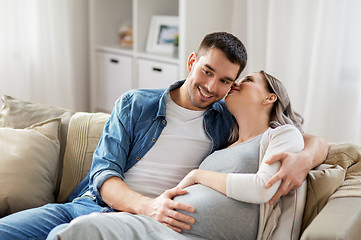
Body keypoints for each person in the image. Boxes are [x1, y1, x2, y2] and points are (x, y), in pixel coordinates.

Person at [0, 32, 327, 240]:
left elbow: (301, 134)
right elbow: (103, 174)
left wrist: (304, 158)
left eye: (226, 81)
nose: (211, 87)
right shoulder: (135, 104)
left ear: (232, 86)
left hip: (147, 228)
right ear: (192, 62)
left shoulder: (228, 122)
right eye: (207, 71)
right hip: (88, 207)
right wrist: (148, 206)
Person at [53, 70, 307, 240]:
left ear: (270, 97)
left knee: (84, 230)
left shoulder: (281, 134)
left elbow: (263, 188)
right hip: (165, 226)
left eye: (249, 80)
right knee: (69, 232)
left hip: (189, 233)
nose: (236, 83)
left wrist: (197, 174)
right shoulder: (225, 138)